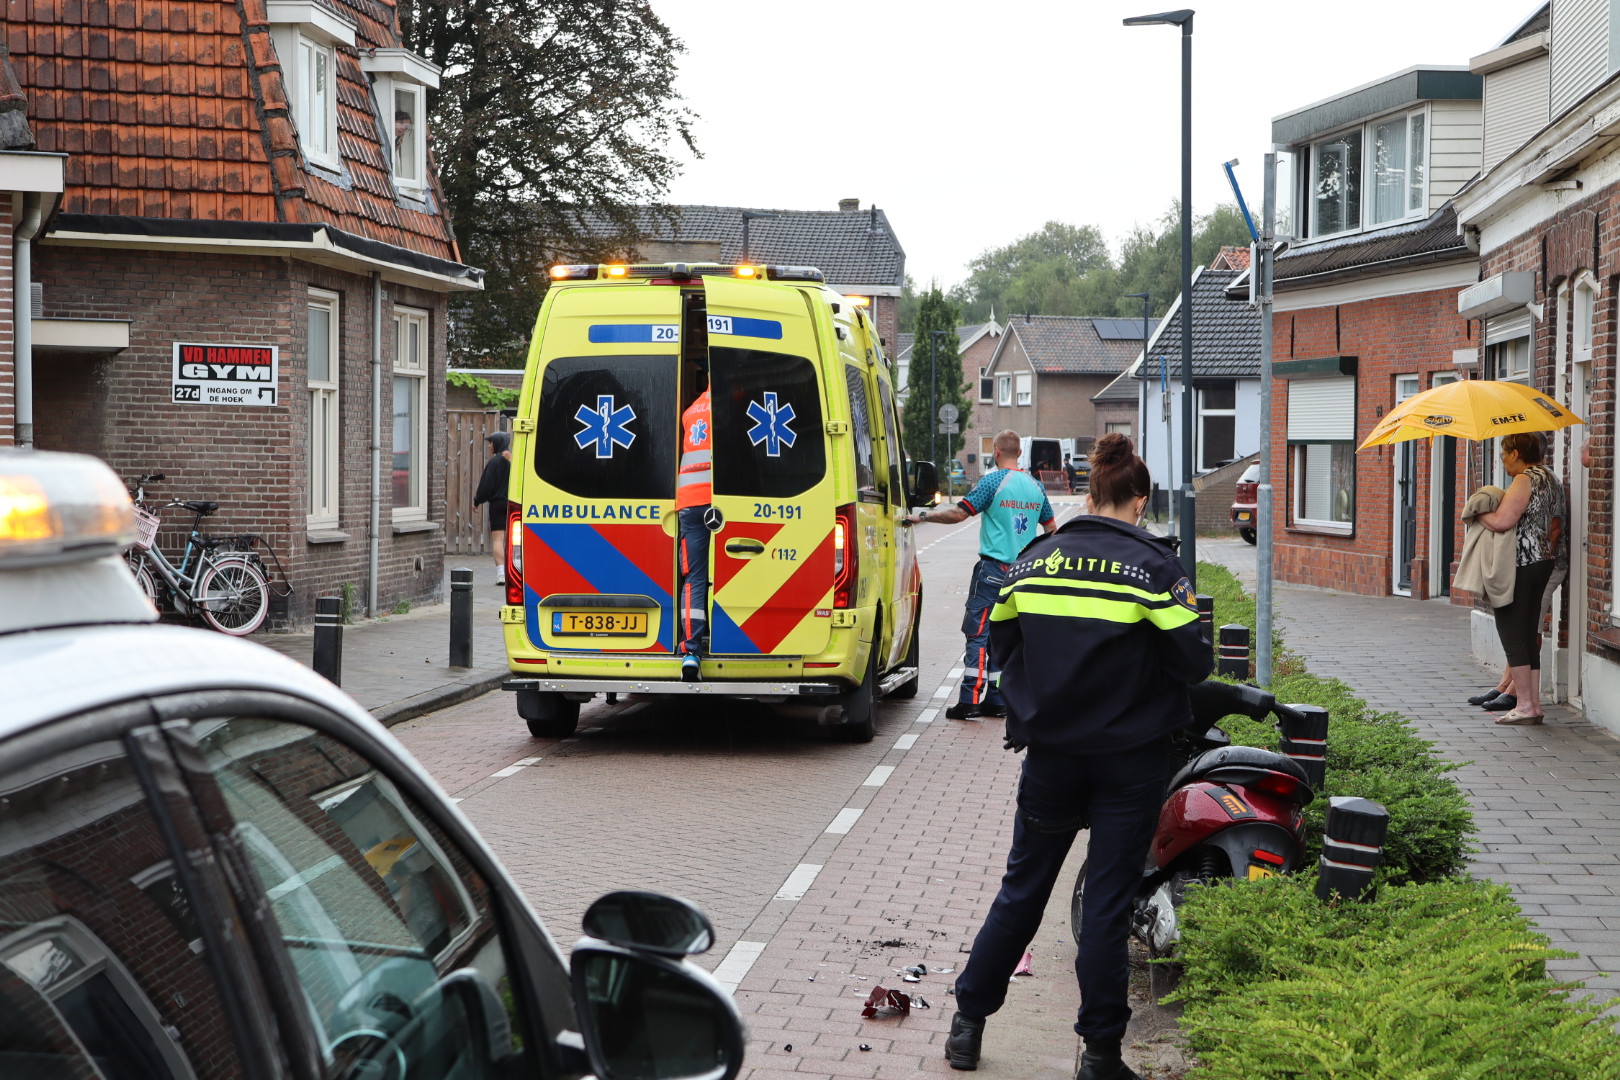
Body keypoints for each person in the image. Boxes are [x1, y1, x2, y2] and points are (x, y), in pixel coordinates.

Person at [943, 433, 1211, 1080]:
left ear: (1089, 492)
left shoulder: (1035, 561)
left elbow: (1000, 639)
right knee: (1107, 905)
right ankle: (1099, 1055)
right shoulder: (1156, 569)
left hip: (1052, 755)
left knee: (1022, 891)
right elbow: (1194, 662)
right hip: (1130, 761)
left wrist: (1043, 697)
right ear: (1139, 501)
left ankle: (967, 1026)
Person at [903, 429, 1055, 720]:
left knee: (978, 632)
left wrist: (922, 516)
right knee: (1005, 637)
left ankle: (969, 699)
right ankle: (997, 699)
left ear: (996, 451)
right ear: (1020, 453)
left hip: (993, 572)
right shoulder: (1036, 487)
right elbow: (1051, 530)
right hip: (1023, 574)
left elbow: (959, 513)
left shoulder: (993, 482)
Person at [1476, 432, 1565, 725]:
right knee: (1527, 634)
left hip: (1523, 562)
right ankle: (1532, 705)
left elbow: (1503, 521)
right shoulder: (1550, 477)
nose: (1502, 458)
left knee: (1513, 632)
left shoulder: (1525, 479)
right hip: (1543, 561)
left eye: (1504, 452)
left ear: (1516, 453)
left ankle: (1525, 706)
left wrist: (1477, 514)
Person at [675, 373, 712, 682]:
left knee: (695, 577)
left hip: (689, 502)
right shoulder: (729, 407)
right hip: (722, 504)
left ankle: (691, 650)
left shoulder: (692, 410)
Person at [472, 431, 511, 586]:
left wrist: (477, 500)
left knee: (498, 539)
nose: (489, 446)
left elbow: (485, 486)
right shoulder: (514, 460)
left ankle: (501, 574)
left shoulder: (494, 463)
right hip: (514, 504)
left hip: (497, 505)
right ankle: (517, 571)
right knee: (515, 539)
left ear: (497, 443)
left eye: (491, 442)